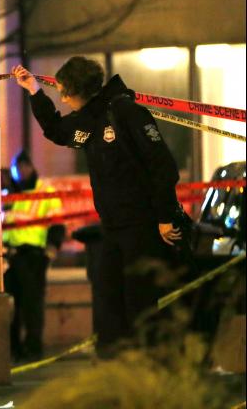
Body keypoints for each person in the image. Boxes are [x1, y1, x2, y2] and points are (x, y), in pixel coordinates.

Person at [12, 58, 183, 358]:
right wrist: (34, 91)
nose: (62, 99)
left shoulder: (127, 113)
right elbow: (55, 130)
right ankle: (114, 375)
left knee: (140, 305)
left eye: (65, 92)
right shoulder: (87, 119)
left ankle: (150, 377)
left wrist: (166, 217)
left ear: (83, 91)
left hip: (141, 228)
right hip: (111, 229)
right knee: (108, 306)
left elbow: (163, 166)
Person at [2, 150, 62, 361]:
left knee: (32, 305)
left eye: (24, 167)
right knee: (12, 306)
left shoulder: (45, 191)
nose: (21, 171)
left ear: (31, 167)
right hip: (10, 257)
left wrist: (52, 248)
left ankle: (33, 348)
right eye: (18, 168)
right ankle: (15, 348)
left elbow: (57, 223)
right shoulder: (8, 193)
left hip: (34, 256)